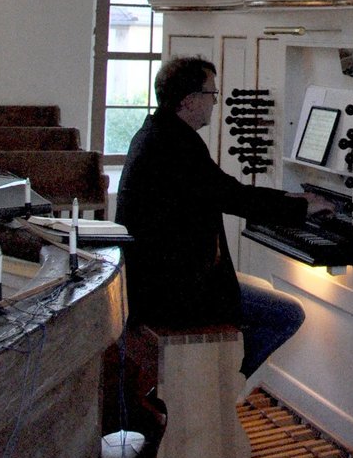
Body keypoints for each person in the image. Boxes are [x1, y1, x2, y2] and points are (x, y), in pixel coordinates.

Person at [116, 55, 328, 378]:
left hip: (153, 284)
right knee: (289, 314)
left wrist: (291, 199)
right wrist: (301, 206)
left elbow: (224, 191)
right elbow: (233, 196)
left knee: (255, 287)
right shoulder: (176, 147)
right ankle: (225, 384)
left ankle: (218, 386)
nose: (215, 102)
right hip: (173, 294)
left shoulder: (155, 133)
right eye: (211, 94)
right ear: (189, 101)